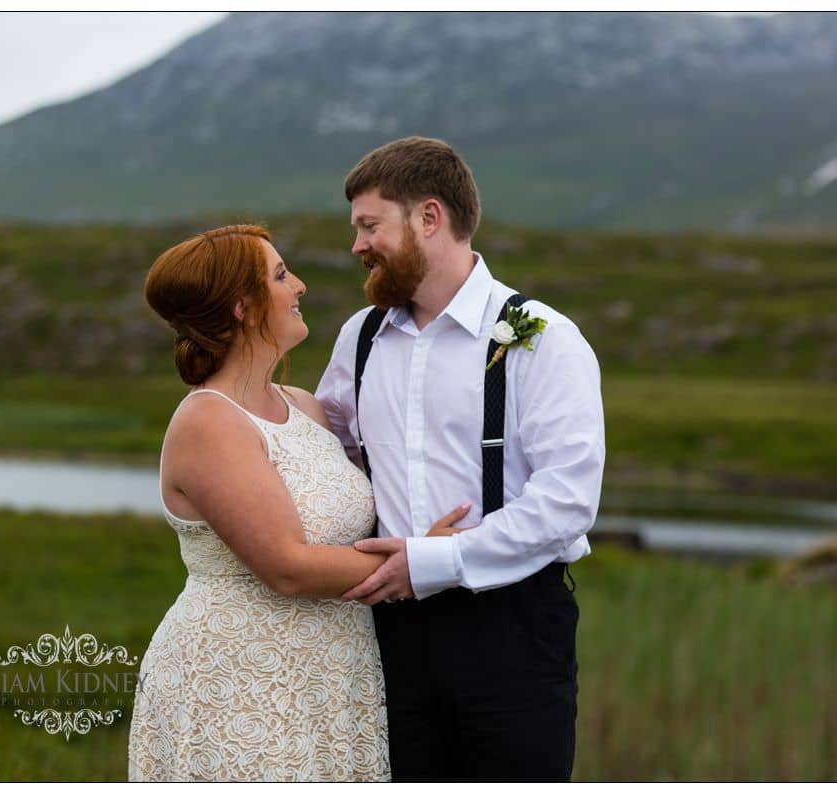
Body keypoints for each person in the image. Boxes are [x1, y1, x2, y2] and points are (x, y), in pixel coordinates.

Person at [127, 224, 469, 782]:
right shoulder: (209, 420)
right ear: (243, 306)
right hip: (244, 680)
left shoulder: (305, 408)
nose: (300, 286)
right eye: (281, 276)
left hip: (336, 674)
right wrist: (422, 561)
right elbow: (286, 566)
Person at [316, 136, 606, 782]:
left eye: (369, 226)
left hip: (514, 633)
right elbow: (321, 453)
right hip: (387, 637)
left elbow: (567, 504)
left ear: (429, 218)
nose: (357, 246)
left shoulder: (546, 341)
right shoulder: (358, 340)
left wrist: (435, 562)